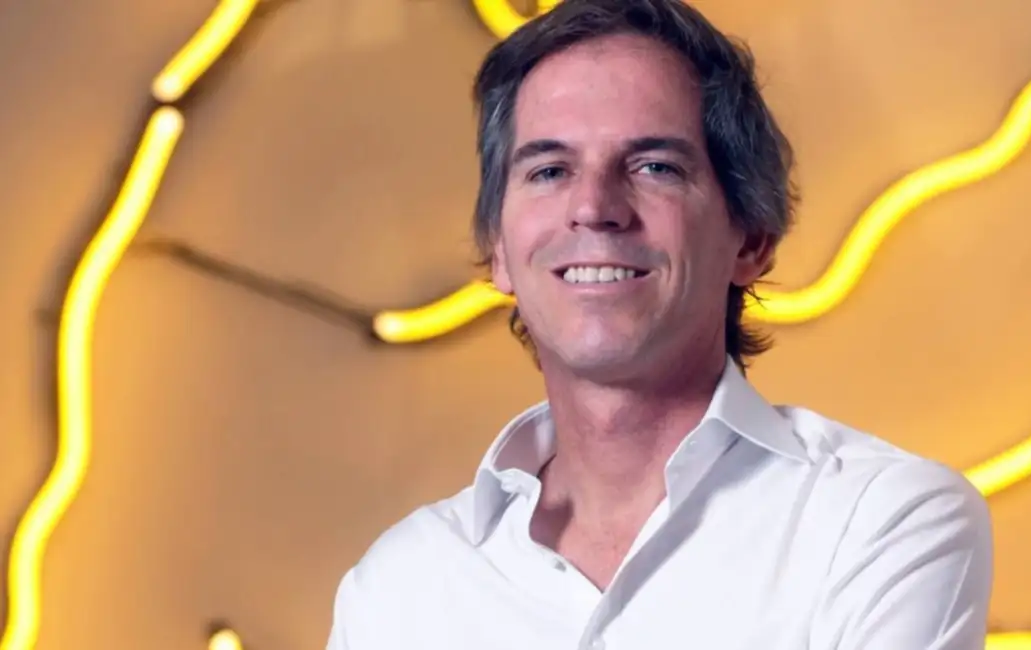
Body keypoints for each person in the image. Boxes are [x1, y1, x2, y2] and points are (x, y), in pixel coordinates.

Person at [325, 0, 993, 648]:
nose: (594, 207)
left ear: (751, 239)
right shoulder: (397, 589)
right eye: (550, 170)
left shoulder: (880, 521)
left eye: (654, 168)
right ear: (499, 250)